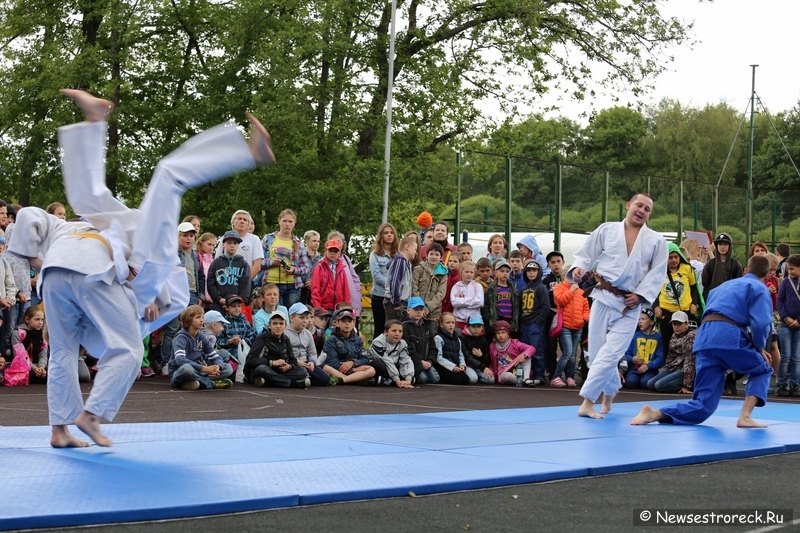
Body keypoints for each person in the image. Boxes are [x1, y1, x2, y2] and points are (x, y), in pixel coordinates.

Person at [8, 89, 273, 447]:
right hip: (95, 272)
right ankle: (92, 414)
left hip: (56, 275)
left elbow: (27, 214)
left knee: (64, 354)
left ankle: (59, 430)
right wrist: (155, 299)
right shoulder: (128, 224)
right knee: (129, 350)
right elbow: (162, 272)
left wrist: (33, 258)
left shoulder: (69, 224)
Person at [631, 255, 775, 428]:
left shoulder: (722, 287)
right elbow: (761, 324)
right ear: (767, 275)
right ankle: (745, 416)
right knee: (762, 368)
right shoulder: (759, 288)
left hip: (704, 338)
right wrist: (759, 349)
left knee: (703, 405)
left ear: (746, 270)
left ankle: (654, 414)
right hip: (728, 336)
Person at [567, 193, 668, 419]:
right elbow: (585, 254)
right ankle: (611, 388)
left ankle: (587, 401)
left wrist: (641, 296)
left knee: (611, 353)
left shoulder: (656, 240)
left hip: (630, 305)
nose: (642, 210)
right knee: (595, 353)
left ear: (650, 214)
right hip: (603, 296)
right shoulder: (607, 230)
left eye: (647, 209)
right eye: (639, 205)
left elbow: (658, 272)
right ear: (628, 206)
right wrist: (578, 268)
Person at [159, 221, 207, 376]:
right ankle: (167, 362)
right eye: (185, 235)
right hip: (175, 295)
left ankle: (185, 361)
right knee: (173, 328)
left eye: (191, 236)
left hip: (192, 295)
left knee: (189, 330)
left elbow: (200, 275)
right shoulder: (171, 253)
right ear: (178, 236)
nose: (188, 238)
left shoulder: (195, 255)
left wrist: (200, 295)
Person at [168, 305, 234, 390]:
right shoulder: (180, 337)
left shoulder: (201, 337)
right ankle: (210, 383)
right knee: (187, 369)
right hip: (180, 371)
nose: (202, 320)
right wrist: (204, 368)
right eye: (198, 317)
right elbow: (180, 360)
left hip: (198, 371)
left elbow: (215, 356)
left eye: (202, 317)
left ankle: (193, 382)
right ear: (189, 320)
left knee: (228, 368)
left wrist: (218, 366)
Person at [653, 242, 702, 353]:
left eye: (676, 257)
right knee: (667, 341)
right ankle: (668, 365)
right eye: (670, 257)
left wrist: (694, 303)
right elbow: (653, 291)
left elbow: (694, 287)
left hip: (685, 311)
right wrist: (656, 306)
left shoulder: (687, 268)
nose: (674, 260)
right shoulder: (659, 271)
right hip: (666, 312)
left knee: (688, 342)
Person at [244, 310, 310, 388]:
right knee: (261, 369)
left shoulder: (286, 339)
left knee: (302, 371)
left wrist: (288, 366)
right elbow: (250, 360)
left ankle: (269, 382)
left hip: (278, 372)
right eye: (275, 323)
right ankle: (291, 383)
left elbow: (293, 360)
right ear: (269, 326)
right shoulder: (262, 339)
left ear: (285, 326)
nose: (278, 326)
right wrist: (272, 363)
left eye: (281, 323)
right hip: (264, 369)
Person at [260, 209, 310, 307]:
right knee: (275, 314)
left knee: (291, 314)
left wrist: (294, 270)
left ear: (294, 223)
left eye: (290, 221)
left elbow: (306, 269)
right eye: (284, 221)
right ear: (279, 221)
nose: (287, 224)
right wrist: (271, 262)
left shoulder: (299, 243)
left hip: (292, 286)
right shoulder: (268, 239)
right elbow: (258, 262)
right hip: (271, 284)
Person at [552, 274, 590, 388]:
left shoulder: (582, 291)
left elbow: (586, 308)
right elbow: (560, 301)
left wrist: (584, 320)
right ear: (565, 276)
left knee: (573, 354)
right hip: (565, 326)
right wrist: (571, 290)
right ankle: (556, 377)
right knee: (568, 352)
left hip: (578, 327)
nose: (574, 279)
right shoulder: (559, 288)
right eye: (571, 276)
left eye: (577, 277)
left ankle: (570, 377)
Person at [321, 309, 376, 384]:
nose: (347, 324)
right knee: (326, 368)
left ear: (354, 324)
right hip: (338, 369)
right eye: (343, 321)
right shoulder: (331, 339)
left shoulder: (358, 339)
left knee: (371, 370)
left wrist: (353, 362)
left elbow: (365, 358)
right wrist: (352, 370)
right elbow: (331, 362)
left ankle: (342, 380)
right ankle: (354, 379)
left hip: (353, 367)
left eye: (349, 321)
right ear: (337, 323)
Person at [645, 311, 694, 393]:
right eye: (674, 324)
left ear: (686, 324)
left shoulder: (691, 336)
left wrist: (687, 385)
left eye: (679, 324)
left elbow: (690, 362)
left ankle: (690, 386)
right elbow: (670, 356)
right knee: (650, 384)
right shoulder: (674, 335)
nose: (676, 327)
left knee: (659, 386)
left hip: (684, 371)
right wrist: (665, 370)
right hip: (674, 368)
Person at [284, 302, 331, 386]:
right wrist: (296, 362)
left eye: (306, 318)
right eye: (301, 318)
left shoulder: (308, 333)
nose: (305, 321)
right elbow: (283, 353)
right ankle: (299, 380)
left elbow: (312, 352)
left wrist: (312, 362)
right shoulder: (284, 333)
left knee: (325, 379)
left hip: (306, 364)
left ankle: (304, 380)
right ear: (291, 318)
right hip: (292, 364)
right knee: (302, 372)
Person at [518, 259, 549, 384]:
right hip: (524, 324)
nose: (531, 273)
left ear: (539, 272)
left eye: (534, 270)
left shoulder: (541, 288)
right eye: (528, 270)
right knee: (526, 351)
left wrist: (538, 322)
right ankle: (527, 374)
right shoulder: (524, 289)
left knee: (537, 350)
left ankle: (540, 374)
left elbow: (546, 307)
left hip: (535, 324)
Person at [207, 231, 252, 313]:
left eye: (235, 243)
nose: (232, 245)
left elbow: (246, 285)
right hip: (219, 303)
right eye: (229, 242)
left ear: (238, 245)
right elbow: (210, 283)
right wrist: (219, 299)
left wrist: (239, 301)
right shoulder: (216, 263)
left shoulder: (244, 264)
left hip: (237, 304)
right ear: (223, 244)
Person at [215, 210, 264, 280]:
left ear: (248, 225)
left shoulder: (254, 239)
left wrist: (245, 283)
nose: (242, 221)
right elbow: (217, 262)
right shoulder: (224, 238)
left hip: (247, 282)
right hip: (226, 281)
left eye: (245, 220)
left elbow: (257, 266)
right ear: (233, 223)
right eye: (239, 219)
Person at [412, 242, 448, 336]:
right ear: (426, 256)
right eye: (431, 254)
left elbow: (441, 293)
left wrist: (428, 307)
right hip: (416, 311)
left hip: (432, 313)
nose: (434, 257)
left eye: (437, 254)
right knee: (416, 335)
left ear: (441, 257)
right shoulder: (419, 269)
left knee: (430, 337)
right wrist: (420, 307)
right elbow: (414, 288)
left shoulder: (443, 274)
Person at [369, 223, 398, 338]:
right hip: (379, 296)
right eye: (386, 233)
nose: (389, 235)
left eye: (391, 233)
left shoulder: (399, 254)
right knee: (380, 329)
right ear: (381, 236)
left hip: (395, 298)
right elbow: (377, 276)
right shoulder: (375, 254)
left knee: (394, 328)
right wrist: (393, 284)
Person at [776, 254, 800, 397]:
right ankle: (782, 384)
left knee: (796, 357)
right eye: (788, 269)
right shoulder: (786, 282)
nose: (790, 271)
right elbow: (780, 301)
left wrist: (798, 320)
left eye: (792, 269)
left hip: (798, 325)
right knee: (786, 355)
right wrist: (785, 318)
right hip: (786, 324)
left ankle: (795, 385)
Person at [622, 309, 663, 389]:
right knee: (630, 383)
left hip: (650, 369)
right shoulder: (634, 335)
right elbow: (626, 354)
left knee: (645, 384)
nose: (640, 321)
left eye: (643, 319)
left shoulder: (658, 337)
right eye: (639, 319)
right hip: (634, 368)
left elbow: (661, 358)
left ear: (651, 322)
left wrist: (649, 366)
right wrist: (632, 359)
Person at [369, 319, 415, 388]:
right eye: (394, 331)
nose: (397, 334)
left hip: (394, 366)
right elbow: (387, 361)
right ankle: (393, 380)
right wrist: (397, 380)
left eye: (400, 331)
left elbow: (406, 360)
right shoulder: (378, 342)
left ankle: (389, 381)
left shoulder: (403, 343)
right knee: (377, 363)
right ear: (386, 332)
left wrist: (408, 379)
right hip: (384, 365)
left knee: (417, 364)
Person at [7, 306, 48, 384]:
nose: (40, 322)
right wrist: (34, 368)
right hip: (21, 366)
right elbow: (21, 356)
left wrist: (41, 367)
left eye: (42, 320)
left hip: (36, 365)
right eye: (37, 319)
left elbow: (43, 355)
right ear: (27, 319)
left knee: (52, 372)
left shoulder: (42, 334)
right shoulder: (18, 334)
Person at [404, 297, 439, 384]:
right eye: (415, 309)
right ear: (408, 310)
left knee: (435, 379)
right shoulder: (404, 328)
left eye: (421, 309)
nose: (419, 312)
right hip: (413, 362)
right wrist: (420, 361)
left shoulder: (426, 329)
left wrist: (430, 361)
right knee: (423, 379)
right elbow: (406, 348)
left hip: (426, 362)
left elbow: (433, 348)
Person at [433, 312, 476, 385]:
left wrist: (462, 365)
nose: (451, 325)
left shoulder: (457, 339)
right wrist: (452, 367)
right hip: (443, 368)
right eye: (448, 322)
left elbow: (460, 354)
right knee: (457, 380)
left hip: (456, 367)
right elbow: (438, 358)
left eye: (453, 323)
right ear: (441, 324)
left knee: (465, 380)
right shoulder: (438, 338)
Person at [383, 233, 418, 321]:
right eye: (415, 249)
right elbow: (395, 282)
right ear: (407, 247)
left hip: (404, 302)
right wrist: (396, 303)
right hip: (395, 303)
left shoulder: (407, 263)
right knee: (394, 329)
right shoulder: (400, 261)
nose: (416, 252)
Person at [489, 320, 535, 385]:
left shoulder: (515, 343)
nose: (500, 335)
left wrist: (524, 355)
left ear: (508, 334)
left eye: (503, 332)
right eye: (498, 333)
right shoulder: (492, 346)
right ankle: (521, 381)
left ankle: (526, 379)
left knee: (527, 356)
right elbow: (492, 362)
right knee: (507, 376)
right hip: (503, 372)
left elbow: (531, 348)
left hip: (516, 369)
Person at [311, 239, 351, 312]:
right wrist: (317, 307)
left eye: (335, 251)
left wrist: (347, 307)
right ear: (325, 251)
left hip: (339, 307)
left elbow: (346, 290)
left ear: (339, 253)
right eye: (330, 250)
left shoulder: (342, 269)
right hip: (324, 307)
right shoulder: (319, 268)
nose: (333, 253)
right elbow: (315, 289)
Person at [482, 258, 519, 337]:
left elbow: (516, 306)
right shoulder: (491, 289)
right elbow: (486, 306)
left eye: (507, 271)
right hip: (496, 320)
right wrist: (491, 319)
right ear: (495, 272)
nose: (505, 273)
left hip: (510, 321)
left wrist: (514, 321)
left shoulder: (513, 289)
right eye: (502, 271)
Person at [701, 232, 743, 301]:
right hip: (713, 302)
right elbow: (705, 285)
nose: (722, 247)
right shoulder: (710, 264)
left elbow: (739, 286)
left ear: (730, 246)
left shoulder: (736, 265)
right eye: (720, 244)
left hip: (730, 303)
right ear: (716, 245)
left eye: (725, 244)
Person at [461, 313, 494, 383]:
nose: (476, 329)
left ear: (482, 327)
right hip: (467, 366)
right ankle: (474, 377)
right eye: (473, 326)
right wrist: (483, 367)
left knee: (491, 379)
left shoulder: (484, 339)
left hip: (479, 367)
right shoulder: (463, 338)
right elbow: (467, 356)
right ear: (468, 326)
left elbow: (488, 359)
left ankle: (478, 378)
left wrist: (481, 355)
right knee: (473, 379)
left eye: (478, 326)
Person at [450, 261, 483, 329]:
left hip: (474, 321)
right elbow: (454, 302)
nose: (469, 274)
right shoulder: (456, 287)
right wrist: (471, 299)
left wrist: (462, 301)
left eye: (471, 272)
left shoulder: (478, 286)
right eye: (466, 272)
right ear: (461, 272)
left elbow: (480, 302)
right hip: (459, 320)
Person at [300, 230, 321, 304]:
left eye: (318, 241)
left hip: (314, 289)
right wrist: (307, 281)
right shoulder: (300, 255)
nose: (317, 243)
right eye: (314, 241)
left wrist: (313, 282)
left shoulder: (320, 259)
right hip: (300, 289)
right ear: (307, 241)